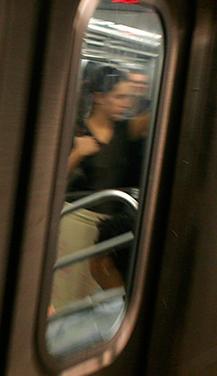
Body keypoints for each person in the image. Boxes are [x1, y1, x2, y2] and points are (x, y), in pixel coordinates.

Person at [52, 64, 147, 312]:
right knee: (67, 291)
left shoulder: (127, 130)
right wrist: (76, 154)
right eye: (119, 96)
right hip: (76, 221)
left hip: (109, 227)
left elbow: (154, 117)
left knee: (98, 293)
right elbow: (53, 182)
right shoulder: (76, 131)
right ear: (99, 98)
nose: (126, 103)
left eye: (129, 97)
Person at [46, 212, 134, 357]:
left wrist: (49, 326)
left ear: (106, 264)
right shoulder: (111, 298)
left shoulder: (101, 325)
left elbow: (52, 348)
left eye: (95, 248)